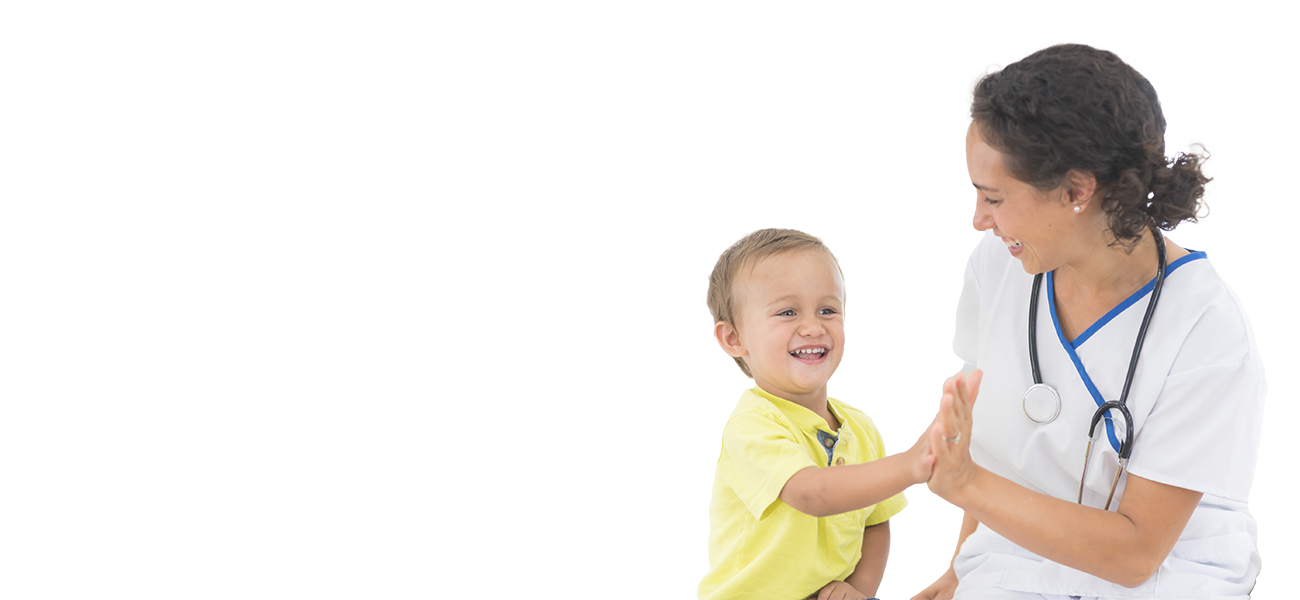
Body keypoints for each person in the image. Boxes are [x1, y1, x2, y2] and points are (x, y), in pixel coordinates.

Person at [913, 43, 1266, 599]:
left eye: (995, 198)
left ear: (1077, 191)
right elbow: (1000, 454)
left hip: (1165, 579)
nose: (979, 219)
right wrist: (958, 571)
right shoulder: (1000, 268)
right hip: (1017, 565)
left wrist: (967, 486)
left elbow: (1135, 556)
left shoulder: (1206, 327)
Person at [699, 228, 934, 600]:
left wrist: (859, 589)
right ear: (734, 339)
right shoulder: (751, 428)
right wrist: (909, 466)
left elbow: (876, 523)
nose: (812, 326)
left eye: (828, 310)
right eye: (787, 312)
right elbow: (812, 494)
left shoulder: (860, 428)